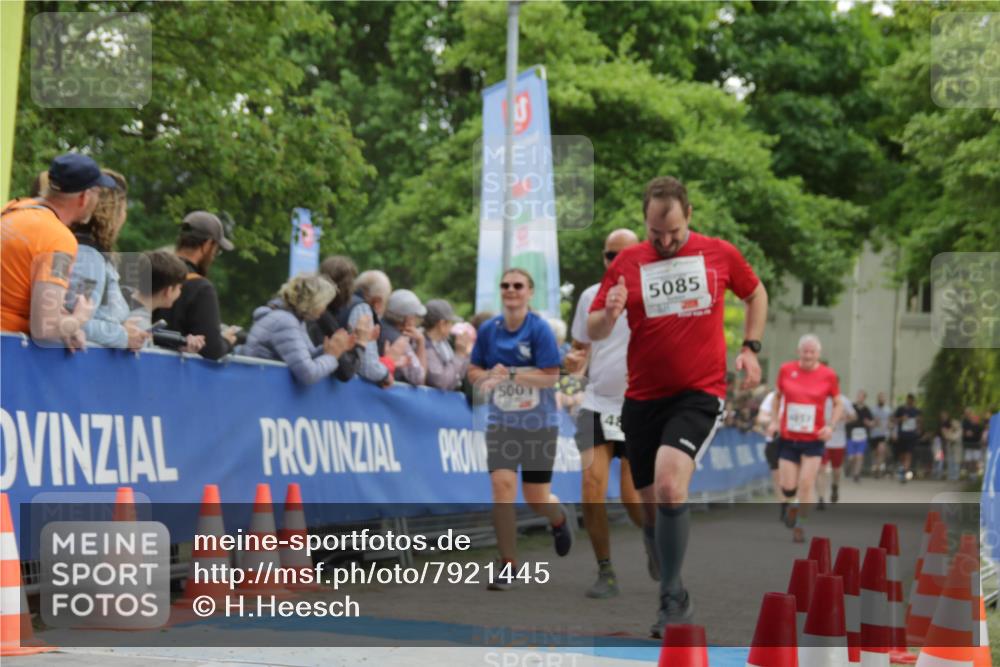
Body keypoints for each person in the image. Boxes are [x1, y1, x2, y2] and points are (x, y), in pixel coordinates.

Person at [586, 176, 767, 636]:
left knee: (670, 488)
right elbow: (593, 327)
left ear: (689, 215)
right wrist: (609, 313)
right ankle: (656, 542)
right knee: (650, 508)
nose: (664, 242)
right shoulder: (627, 261)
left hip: (698, 393)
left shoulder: (719, 253)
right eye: (654, 234)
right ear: (644, 221)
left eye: (674, 233)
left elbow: (755, 293)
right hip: (642, 399)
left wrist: (750, 347)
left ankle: (673, 600)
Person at [468, 267, 573, 589]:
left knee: (535, 498)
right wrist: (484, 379)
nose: (511, 290)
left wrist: (511, 375)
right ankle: (508, 564)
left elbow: (552, 376)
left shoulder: (538, 329)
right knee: (501, 487)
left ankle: (557, 516)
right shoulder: (489, 330)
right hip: (502, 422)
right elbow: (473, 368)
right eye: (505, 285)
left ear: (530, 292)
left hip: (539, 423)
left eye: (518, 285)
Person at [568, 228, 652, 599]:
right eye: (609, 256)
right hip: (597, 403)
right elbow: (578, 349)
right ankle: (606, 570)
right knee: (591, 487)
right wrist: (572, 362)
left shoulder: (652, 293)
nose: (616, 263)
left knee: (633, 498)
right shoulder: (590, 296)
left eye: (624, 254)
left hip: (637, 405)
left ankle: (653, 540)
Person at [2, 154, 117, 348]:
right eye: (98, 193)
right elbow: (45, 329)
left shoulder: (13, 208)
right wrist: (78, 319)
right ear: (84, 197)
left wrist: (63, 322)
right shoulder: (59, 241)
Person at [767, 335, 843, 544]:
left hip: (813, 439)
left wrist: (831, 426)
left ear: (819, 354)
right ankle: (791, 505)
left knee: (806, 483)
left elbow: (838, 404)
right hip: (789, 438)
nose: (808, 355)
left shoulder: (828, 375)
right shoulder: (786, 370)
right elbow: (777, 397)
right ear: (798, 352)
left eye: (812, 352)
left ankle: (800, 524)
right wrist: (774, 421)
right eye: (805, 351)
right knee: (787, 486)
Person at [64, 169, 148, 351]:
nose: (125, 216)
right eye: (124, 209)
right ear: (113, 212)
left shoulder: (92, 254)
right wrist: (124, 336)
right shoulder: (87, 256)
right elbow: (73, 322)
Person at [238, 273, 356, 385]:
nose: (324, 309)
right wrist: (332, 355)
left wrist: (328, 348)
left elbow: (305, 356)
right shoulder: (285, 321)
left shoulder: (294, 319)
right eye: (325, 303)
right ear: (314, 302)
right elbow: (309, 374)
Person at [154, 211, 236, 360]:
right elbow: (212, 349)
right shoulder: (201, 288)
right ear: (208, 244)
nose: (214, 256)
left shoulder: (152, 270)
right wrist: (227, 342)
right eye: (216, 250)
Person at [125, 250, 205, 353]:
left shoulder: (124, 304)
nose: (180, 292)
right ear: (168, 291)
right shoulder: (139, 322)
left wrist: (181, 348)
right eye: (179, 288)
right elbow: (145, 360)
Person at [817, 388, 855, 507]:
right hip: (823, 440)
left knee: (836, 469)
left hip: (838, 441)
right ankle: (821, 498)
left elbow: (854, 416)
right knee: (821, 469)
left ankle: (835, 486)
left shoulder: (843, 400)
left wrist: (845, 418)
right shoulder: (820, 398)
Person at [382, 289, 428, 386]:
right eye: (415, 316)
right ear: (408, 318)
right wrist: (421, 342)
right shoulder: (400, 341)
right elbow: (419, 378)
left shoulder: (377, 325)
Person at [424, 298, 472, 391]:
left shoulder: (443, 343)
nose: (451, 326)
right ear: (442, 324)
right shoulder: (425, 345)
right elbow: (442, 382)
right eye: (450, 322)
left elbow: (459, 376)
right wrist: (459, 355)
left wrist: (466, 353)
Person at [756, 388, 786, 520]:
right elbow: (760, 417)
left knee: (794, 477)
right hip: (774, 441)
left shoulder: (802, 394)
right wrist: (775, 420)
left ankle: (794, 503)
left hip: (795, 441)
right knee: (777, 476)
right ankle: (784, 505)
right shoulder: (773, 396)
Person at [846, 390, 874, 483]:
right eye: (859, 396)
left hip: (862, 436)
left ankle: (856, 474)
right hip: (851, 435)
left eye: (862, 396)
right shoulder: (852, 407)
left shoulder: (867, 410)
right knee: (851, 457)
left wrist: (869, 423)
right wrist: (851, 419)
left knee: (859, 456)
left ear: (864, 398)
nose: (860, 398)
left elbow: (872, 422)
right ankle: (849, 467)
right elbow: (845, 419)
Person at [893, 393, 922, 483]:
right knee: (902, 455)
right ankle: (903, 469)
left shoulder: (916, 411)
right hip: (902, 435)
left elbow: (920, 423)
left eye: (912, 400)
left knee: (908, 455)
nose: (910, 401)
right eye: (909, 399)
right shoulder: (901, 409)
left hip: (911, 436)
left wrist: (918, 426)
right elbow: (894, 420)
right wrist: (901, 419)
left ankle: (904, 473)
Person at [870, 392, 892, 478]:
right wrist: (874, 422)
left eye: (883, 398)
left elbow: (891, 421)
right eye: (880, 398)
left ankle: (878, 469)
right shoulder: (873, 410)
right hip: (874, 434)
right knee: (876, 453)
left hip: (883, 434)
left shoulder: (888, 410)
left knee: (881, 450)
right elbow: (870, 421)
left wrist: (890, 427)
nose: (881, 399)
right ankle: (876, 467)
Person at [961, 408, 985, 478]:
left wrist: (973, 434)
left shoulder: (978, 424)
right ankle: (970, 474)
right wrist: (966, 434)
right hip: (968, 444)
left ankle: (975, 474)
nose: (968, 414)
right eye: (966, 413)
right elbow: (963, 432)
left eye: (969, 413)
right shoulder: (965, 422)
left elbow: (980, 433)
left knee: (975, 460)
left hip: (976, 444)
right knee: (968, 460)